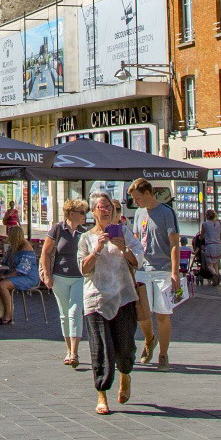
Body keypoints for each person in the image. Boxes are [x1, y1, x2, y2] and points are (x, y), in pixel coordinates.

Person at [79, 192, 141, 416]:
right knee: (101, 347)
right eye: (101, 207)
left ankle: (125, 374)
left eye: (108, 207)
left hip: (123, 295)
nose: (105, 210)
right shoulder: (86, 238)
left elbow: (139, 260)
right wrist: (97, 250)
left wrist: (124, 249)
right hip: (96, 298)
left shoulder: (124, 233)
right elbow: (83, 269)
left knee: (125, 346)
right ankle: (101, 393)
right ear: (93, 212)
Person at [127, 178, 180, 370]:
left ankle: (163, 354)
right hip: (142, 270)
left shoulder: (166, 212)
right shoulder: (139, 213)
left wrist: (175, 272)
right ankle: (150, 339)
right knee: (141, 313)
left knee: (162, 314)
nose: (135, 202)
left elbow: (174, 244)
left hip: (162, 270)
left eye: (138, 198)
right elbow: (135, 240)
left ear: (148, 193)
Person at [41, 199, 89, 367]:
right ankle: (68, 350)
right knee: (64, 313)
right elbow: (46, 253)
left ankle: (74, 352)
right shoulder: (58, 229)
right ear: (71, 213)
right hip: (59, 276)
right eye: (81, 212)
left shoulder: (85, 232)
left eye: (85, 212)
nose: (84, 215)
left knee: (75, 311)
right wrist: (47, 275)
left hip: (80, 277)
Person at [0, 224, 39, 324]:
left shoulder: (26, 247)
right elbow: (5, 262)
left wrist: (6, 276)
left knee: (3, 285)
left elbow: (23, 269)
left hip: (27, 277)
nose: (8, 237)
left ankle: (8, 314)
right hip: (14, 275)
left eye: (9, 235)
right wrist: (1, 272)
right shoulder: (13, 247)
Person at [194, 209, 221, 286]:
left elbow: (201, 236)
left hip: (210, 246)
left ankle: (215, 275)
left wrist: (200, 238)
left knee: (209, 265)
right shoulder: (219, 223)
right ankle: (216, 280)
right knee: (216, 263)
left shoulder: (205, 224)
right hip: (218, 245)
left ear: (207, 216)